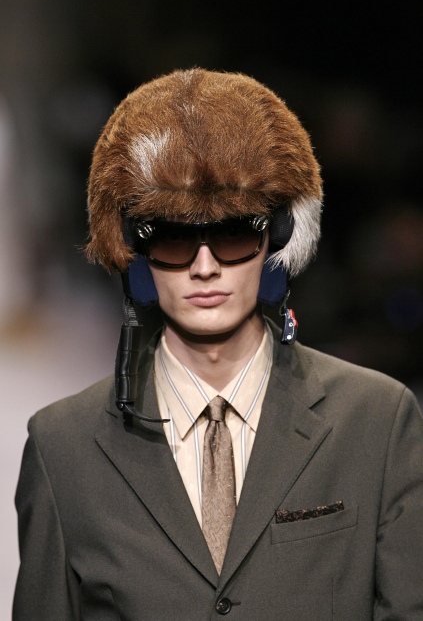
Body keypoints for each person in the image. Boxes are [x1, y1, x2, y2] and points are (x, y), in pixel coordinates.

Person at [13, 68, 423, 620]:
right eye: (173, 238)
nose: (205, 268)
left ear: (277, 240)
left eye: (234, 233)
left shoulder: (377, 421)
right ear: (134, 254)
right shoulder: (62, 447)